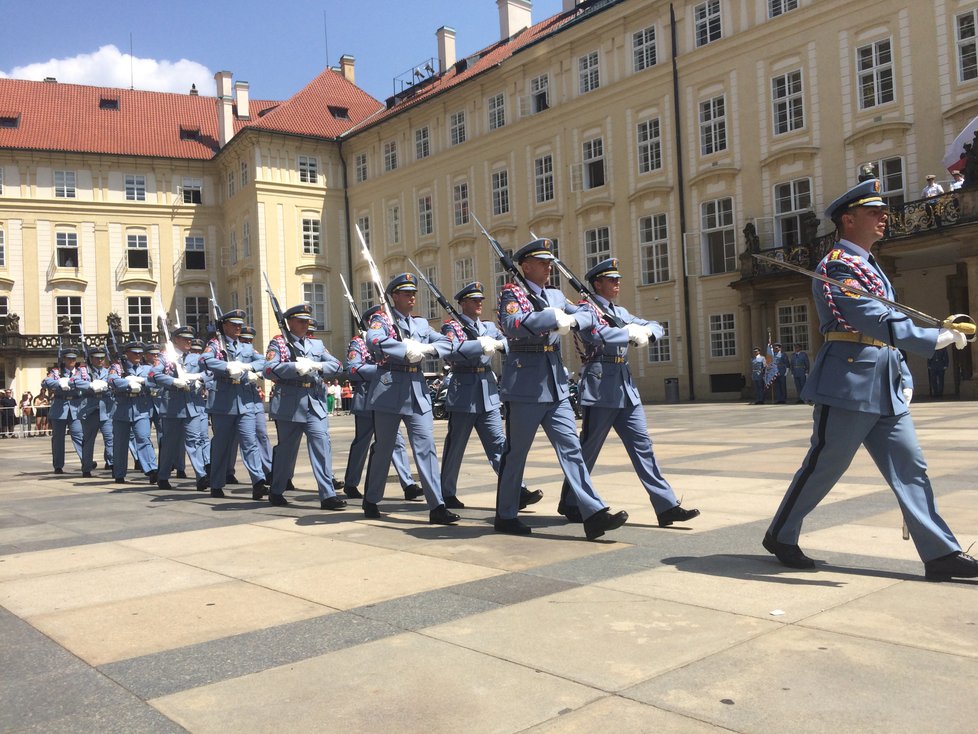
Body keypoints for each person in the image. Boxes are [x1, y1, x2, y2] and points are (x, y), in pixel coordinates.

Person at [763, 178, 978, 581]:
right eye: (873, 212)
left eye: (883, 211)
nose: (884, 217)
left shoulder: (868, 264)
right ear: (848, 219)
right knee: (826, 466)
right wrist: (934, 338)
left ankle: (940, 553)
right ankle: (781, 534)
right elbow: (871, 318)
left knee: (911, 466)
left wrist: (900, 370)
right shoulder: (838, 266)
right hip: (848, 380)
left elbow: (888, 320)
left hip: (883, 380)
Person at [495, 238, 629, 540]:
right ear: (525, 265)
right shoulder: (512, 292)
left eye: (549, 262)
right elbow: (513, 323)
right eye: (542, 263)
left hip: (555, 384)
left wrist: (570, 317)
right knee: (516, 454)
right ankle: (505, 515)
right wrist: (550, 318)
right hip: (525, 384)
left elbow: (586, 313)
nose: (548, 267)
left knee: (572, 450)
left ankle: (593, 512)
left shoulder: (555, 294)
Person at [560, 258, 700, 527]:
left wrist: (646, 333)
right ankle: (569, 500)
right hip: (601, 387)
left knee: (643, 447)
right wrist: (627, 334)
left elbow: (655, 325)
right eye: (611, 280)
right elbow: (596, 335)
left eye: (618, 279)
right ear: (597, 283)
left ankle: (666, 505)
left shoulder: (619, 311)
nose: (617, 283)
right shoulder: (587, 310)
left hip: (626, 388)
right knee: (588, 450)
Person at [361, 273, 459, 524]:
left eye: (413, 293)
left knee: (426, 447)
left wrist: (427, 348)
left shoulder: (421, 325)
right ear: (394, 297)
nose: (412, 297)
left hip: (416, 388)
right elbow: (373, 341)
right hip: (389, 386)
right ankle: (371, 498)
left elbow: (448, 342)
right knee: (384, 448)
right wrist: (404, 348)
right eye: (406, 293)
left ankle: (437, 505)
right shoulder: (381, 319)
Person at [438, 281, 543, 510]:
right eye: (474, 300)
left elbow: (508, 339)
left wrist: (498, 344)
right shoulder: (451, 327)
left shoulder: (488, 327)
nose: (478, 304)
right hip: (463, 390)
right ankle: (446, 492)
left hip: (487, 391)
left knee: (499, 444)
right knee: (456, 447)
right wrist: (477, 346)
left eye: (480, 300)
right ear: (463, 303)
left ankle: (517, 490)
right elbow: (451, 352)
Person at [262, 304, 346, 509]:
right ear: (289, 322)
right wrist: (294, 367)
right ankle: (277, 489)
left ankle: (327, 495)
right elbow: (268, 369)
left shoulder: (316, 346)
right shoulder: (279, 343)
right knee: (286, 451)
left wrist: (317, 366)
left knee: (321, 446)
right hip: (289, 403)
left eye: (307, 321)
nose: (305, 324)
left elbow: (337, 365)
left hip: (314, 402)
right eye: (300, 321)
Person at [343, 305, 425, 501]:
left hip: (388, 397)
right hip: (366, 400)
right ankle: (351, 482)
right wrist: (382, 370)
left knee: (396, 442)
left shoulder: (391, 341)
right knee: (362, 443)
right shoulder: (359, 343)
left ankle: (408, 484)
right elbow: (353, 369)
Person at [201, 309, 267, 499]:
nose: (238, 327)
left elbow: (264, 360)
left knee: (250, 441)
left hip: (244, 401)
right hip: (223, 402)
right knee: (221, 445)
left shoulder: (246, 347)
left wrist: (250, 367)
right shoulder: (215, 345)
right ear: (224, 326)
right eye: (234, 324)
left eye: (240, 324)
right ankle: (216, 483)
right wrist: (227, 367)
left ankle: (258, 482)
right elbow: (205, 360)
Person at [148, 327, 209, 489]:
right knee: (170, 444)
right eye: (184, 338)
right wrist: (172, 381)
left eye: (190, 338)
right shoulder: (165, 357)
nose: (189, 341)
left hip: (193, 406)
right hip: (172, 407)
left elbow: (209, 373)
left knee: (194, 441)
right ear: (176, 340)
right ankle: (163, 476)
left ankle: (201, 475)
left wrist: (199, 378)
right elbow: (153, 374)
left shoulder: (197, 358)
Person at [107, 342, 158, 484]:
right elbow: (112, 380)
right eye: (134, 353)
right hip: (121, 408)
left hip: (141, 408)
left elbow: (155, 381)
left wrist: (142, 382)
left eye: (140, 353)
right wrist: (127, 384)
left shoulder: (147, 368)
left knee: (144, 438)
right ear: (127, 353)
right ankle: (119, 473)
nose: (138, 355)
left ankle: (152, 470)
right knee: (120, 443)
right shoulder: (117, 367)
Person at [43, 347, 88, 473]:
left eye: (73, 358)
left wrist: (71, 382)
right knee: (58, 438)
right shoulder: (56, 372)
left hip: (75, 407)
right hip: (59, 408)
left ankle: (86, 462)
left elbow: (87, 383)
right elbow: (45, 382)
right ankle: (58, 465)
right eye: (69, 358)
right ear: (64, 359)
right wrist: (59, 383)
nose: (72, 361)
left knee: (79, 436)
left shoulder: (81, 372)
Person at [77, 346, 114, 473]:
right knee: (88, 440)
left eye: (102, 358)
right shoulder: (83, 371)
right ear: (91, 359)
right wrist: (90, 385)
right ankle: (86, 467)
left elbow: (115, 382)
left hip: (106, 409)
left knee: (110, 438)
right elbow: (73, 382)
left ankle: (112, 463)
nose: (100, 361)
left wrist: (107, 387)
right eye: (97, 358)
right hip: (90, 409)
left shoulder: (109, 371)